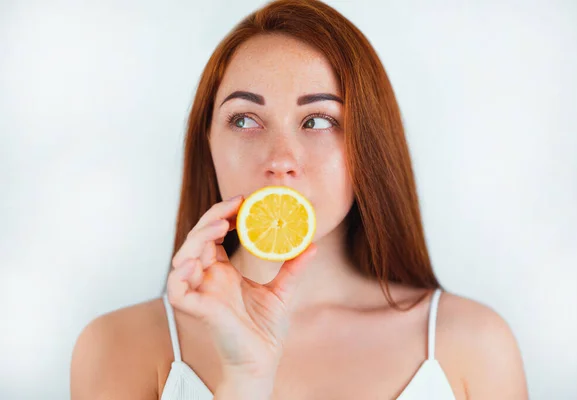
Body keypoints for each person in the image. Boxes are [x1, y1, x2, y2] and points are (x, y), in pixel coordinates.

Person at [70, 0, 528, 398]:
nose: (281, 160)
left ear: (369, 144)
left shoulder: (472, 345)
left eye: (318, 121)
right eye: (245, 120)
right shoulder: (118, 345)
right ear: (206, 144)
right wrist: (244, 381)